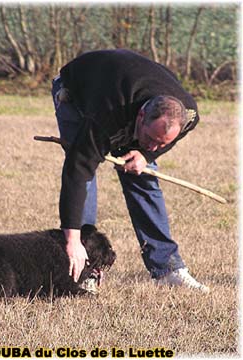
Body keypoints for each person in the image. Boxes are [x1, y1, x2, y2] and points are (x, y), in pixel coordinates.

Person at [51, 49, 209, 293]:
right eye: (151, 138)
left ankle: (168, 269)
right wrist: (71, 240)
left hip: (127, 90)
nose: (155, 145)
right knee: (87, 176)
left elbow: (157, 142)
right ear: (142, 116)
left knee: (142, 176)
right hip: (77, 92)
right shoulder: (105, 116)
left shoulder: (188, 115)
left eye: (162, 143)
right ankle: (86, 266)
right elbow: (77, 172)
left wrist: (147, 155)